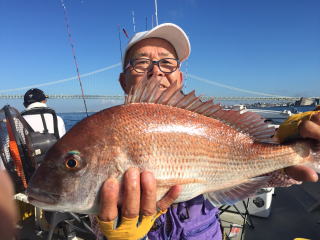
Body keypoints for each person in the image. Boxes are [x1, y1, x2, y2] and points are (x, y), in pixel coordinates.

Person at [93, 23, 319, 240]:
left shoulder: (208, 121)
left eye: (168, 63)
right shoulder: (102, 135)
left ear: (179, 78)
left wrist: (291, 143)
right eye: (141, 63)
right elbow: (91, 207)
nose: (156, 71)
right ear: (124, 81)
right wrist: (112, 235)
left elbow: (259, 166)